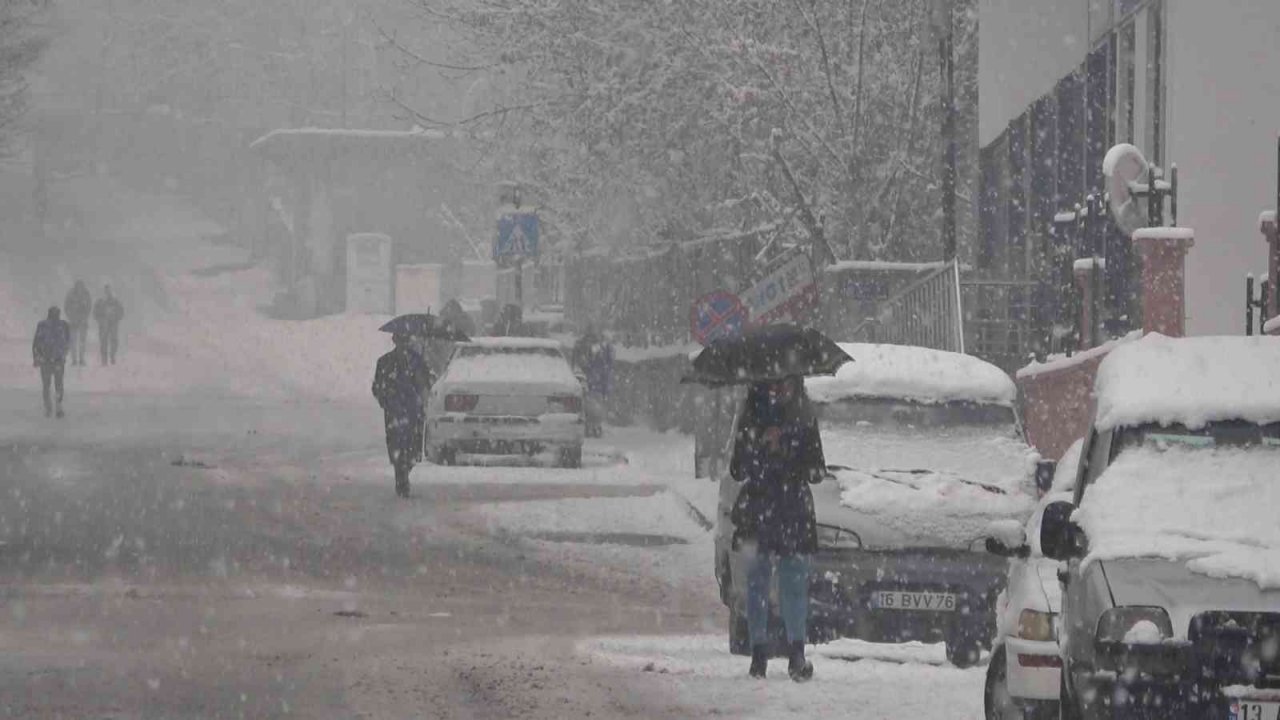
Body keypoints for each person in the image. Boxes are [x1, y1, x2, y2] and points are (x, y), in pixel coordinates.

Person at [729, 375, 827, 682]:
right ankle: (759, 652)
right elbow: (738, 469)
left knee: (794, 579)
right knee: (758, 578)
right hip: (760, 507)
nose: (779, 389)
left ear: (796, 384)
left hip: (793, 508)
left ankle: (796, 652)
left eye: (786, 383)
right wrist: (760, 444)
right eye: (773, 383)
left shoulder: (804, 418)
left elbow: (817, 471)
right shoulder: (751, 417)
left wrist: (787, 448)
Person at [372, 333, 434, 498]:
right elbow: (377, 387)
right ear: (394, 341)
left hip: (414, 412)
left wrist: (426, 380)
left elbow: (426, 386)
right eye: (400, 340)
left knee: (412, 450)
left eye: (406, 340)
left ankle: (404, 471)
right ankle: (401, 478)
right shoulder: (384, 362)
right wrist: (386, 399)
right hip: (394, 413)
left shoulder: (418, 361)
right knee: (397, 447)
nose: (403, 344)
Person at [572, 325, 613, 437]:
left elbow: (607, 365)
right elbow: (608, 366)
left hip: (592, 382)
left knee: (590, 405)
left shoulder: (582, 345)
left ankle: (592, 427)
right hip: (594, 382)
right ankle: (594, 427)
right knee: (593, 405)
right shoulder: (602, 346)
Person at [32, 306, 71, 418]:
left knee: (47, 385)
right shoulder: (63, 325)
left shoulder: (43, 325)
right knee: (57, 384)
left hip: (46, 360)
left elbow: (36, 343)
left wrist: (36, 357)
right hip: (57, 359)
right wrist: (64, 354)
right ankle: (57, 406)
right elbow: (68, 342)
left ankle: (49, 407)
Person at [93, 285, 125, 365]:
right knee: (103, 342)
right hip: (103, 325)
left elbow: (121, 312)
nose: (107, 292)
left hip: (113, 324)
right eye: (106, 291)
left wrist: (116, 318)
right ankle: (104, 359)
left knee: (114, 341)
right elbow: (95, 313)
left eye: (109, 290)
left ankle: (112, 356)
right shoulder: (100, 302)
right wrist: (100, 320)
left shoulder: (115, 301)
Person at [63, 280, 92, 366]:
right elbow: (66, 307)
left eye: (81, 286)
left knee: (82, 341)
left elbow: (89, 307)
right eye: (78, 286)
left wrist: (85, 317)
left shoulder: (86, 294)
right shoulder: (70, 294)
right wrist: (71, 317)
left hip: (83, 321)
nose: (79, 288)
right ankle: (74, 360)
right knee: (73, 341)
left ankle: (82, 359)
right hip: (73, 321)